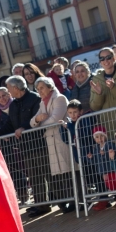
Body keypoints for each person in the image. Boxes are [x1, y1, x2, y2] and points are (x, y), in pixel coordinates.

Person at [6, 75, 51, 216]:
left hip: (39, 143)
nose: (8, 92)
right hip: (25, 147)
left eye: (8, 89)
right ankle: (41, 205)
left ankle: (60, 200)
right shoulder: (13, 105)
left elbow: (36, 118)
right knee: (34, 177)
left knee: (48, 174)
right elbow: (10, 123)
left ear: (15, 88)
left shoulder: (35, 99)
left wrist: (23, 128)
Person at [30, 77, 76, 213]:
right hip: (51, 140)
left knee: (70, 170)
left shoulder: (59, 98)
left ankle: (77, 200)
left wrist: (40, 123)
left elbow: (55, 119)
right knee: (61, 174)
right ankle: (69, 201)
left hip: (62, 138)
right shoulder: (42, 103)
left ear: (50, 87)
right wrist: (37, 119)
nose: (40, 91)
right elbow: (32, 122)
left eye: (42, 88)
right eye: (37, 89)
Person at [86, 125, 116, 208]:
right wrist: (90, 158)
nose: (100, 139)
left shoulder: (109, 144)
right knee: (111, 185)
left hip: (112, 168)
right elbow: (95, 161)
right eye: (97, 137)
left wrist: (105, 154)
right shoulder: (96, 148)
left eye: (101, 136)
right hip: (103, 171)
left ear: (105, 136)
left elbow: (115, 154)